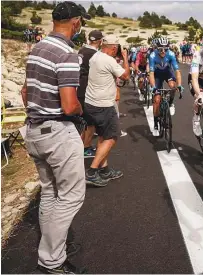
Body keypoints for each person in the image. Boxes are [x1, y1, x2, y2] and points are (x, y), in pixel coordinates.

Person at [20, 2, 90, 273]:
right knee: (71, 196)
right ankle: (51, 260)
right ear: (76, 23)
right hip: (57, 132)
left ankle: (51, 249)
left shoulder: (37, 48)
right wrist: (81, 112)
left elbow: (26, 93)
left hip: (34, 130)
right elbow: (70, 104)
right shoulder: (67, 53)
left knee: (50, 192)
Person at [83, 37, 130, 186]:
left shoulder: (95, 56)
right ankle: (91, 172)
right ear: (114, 48)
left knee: (103, 136)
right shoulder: (109, 60)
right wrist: (125, 58)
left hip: (90, 103)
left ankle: (104, 170)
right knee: (112, 137)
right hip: (103, 105)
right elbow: (125, 76)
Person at [148, 36, 184, 136]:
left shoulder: (171, 54)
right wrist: (153, 87)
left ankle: (171, 103)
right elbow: (151, 73)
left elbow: (177, 71)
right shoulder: (152, 56)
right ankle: (155, 123)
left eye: (165, 49)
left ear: (169, 48)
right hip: (157, 75)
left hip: (168, 73)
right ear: (156, 48)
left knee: (173, 86)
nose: (163, 51)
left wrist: (179, 85)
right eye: (160, 49)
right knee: (157, 100)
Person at [78, 30, 103, 158]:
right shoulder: (95, 54)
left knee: (83, 120)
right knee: (91, 121)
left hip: (78, 86)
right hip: (87, 88)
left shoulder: (81, 50)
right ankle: (86, 148)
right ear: (100, 41)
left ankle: (81, 145)